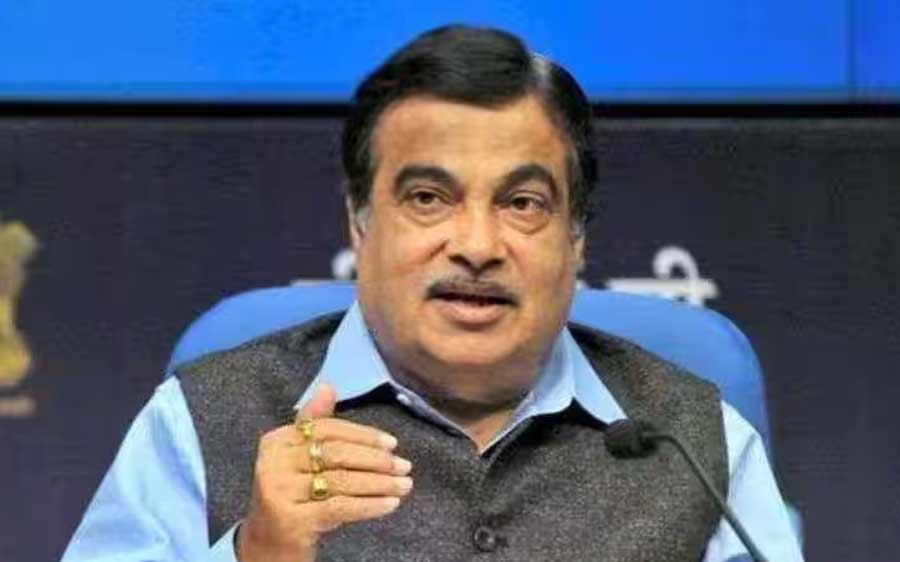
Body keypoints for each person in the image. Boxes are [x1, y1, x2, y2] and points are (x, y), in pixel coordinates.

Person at [61, 25, 803, 562]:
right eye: (427, 198)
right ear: (359, 223)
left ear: (576, 236)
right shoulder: (201, 421)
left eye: (522, 203)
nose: (476, 245)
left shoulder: (693, 437)